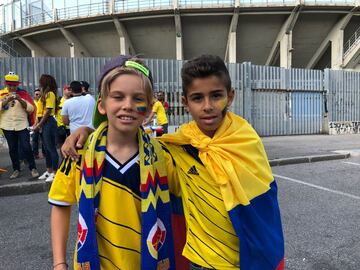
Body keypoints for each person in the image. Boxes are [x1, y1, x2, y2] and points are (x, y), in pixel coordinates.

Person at [62, 55, 285, 270]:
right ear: (185, 102)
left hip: (246, 258)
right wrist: (89, 132)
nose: (207, 106)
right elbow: (127, 141)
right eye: (198, 98)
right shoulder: (178, 146)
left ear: (231, 95)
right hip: (200, 260)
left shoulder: (245, 140)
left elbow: (264, 209)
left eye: (216, 96)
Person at [48, 56, 175, 270]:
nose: (128, 105)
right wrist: (59, 263)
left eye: (138, 99)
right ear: (102, 105)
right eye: (118, 97)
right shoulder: (78, 154)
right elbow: (60, 205)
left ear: (150, 107)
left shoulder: (162, 157)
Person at [0, 72, 39, 179]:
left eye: (14, 85)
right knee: (12, 149)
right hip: (7, 125)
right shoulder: (1, 94)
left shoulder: (23, 94)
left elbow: (31, 109)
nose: (12, 87)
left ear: (17, 85)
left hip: (21, 125)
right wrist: (6, 100)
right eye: (10, 85)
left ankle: (33, 168)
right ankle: (16, 169)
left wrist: (20, 100)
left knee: (26, 147)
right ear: (5, 84)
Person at [34, 74, 59, 182]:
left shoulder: (50, 94)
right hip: (44, 122)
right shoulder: (45, 94)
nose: (39, 84)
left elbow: (48, 111)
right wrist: (37, 123)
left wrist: (39, 124)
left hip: (48, 122)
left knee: (51, 148)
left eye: (41, 81)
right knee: (46, 149)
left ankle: (55, 172)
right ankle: (48, 171)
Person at [56, 85, 71, 153]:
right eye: (68, 89)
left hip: (70, 127)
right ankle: (63, 160)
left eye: (71, 90)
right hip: (60, 126)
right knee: (61, 145)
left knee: (70, 145)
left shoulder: (73, 100)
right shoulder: (59, 101)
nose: (70, 91)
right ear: (64, 90)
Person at [32, 88, 45, 159]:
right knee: (35, 139)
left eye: (39, 94)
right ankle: (35, 154)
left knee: (44, 139)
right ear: (34, 95)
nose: (38, 95)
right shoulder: (32, 103)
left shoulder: (43, 102)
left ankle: (44, 153)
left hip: (42, 122)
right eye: (36, 94)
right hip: (35, 123)